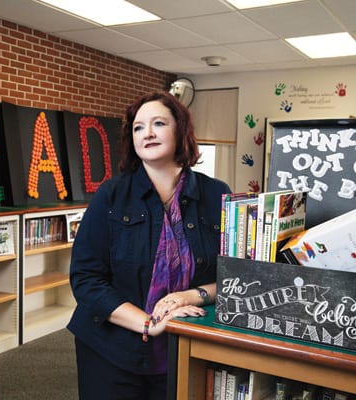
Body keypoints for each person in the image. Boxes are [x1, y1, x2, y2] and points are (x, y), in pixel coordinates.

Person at [67, 91, 232, 399]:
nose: (148, 133)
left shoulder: (216, 195)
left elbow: (235, 278)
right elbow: (86, 279)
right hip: (111, 347)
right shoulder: (111, 195)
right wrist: (148, 323)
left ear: (181, 130)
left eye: (159, 123)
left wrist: (189, 296)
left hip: (188, 345)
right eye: (138, 127)